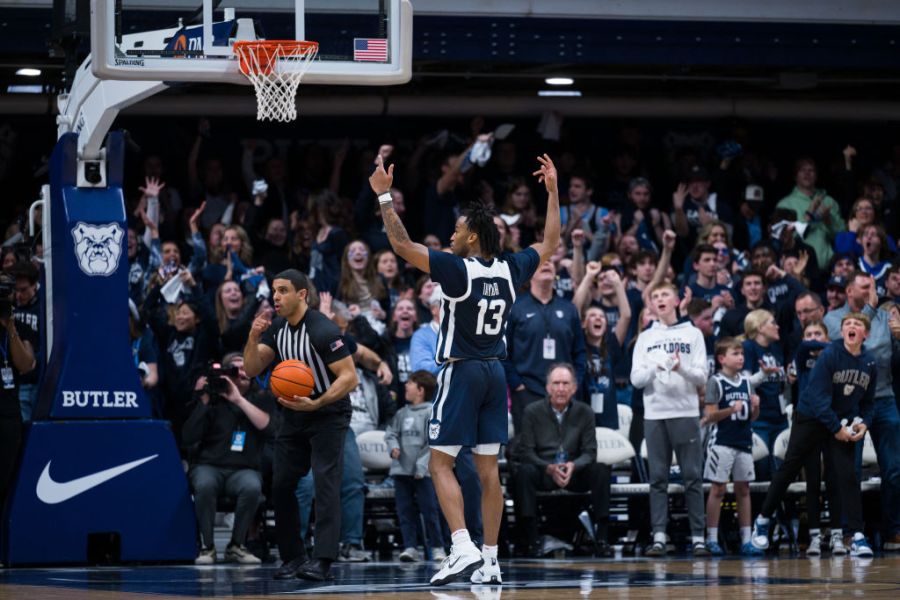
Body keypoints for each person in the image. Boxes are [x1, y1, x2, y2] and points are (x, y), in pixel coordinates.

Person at [368, 152, 558, 585]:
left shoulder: (457, 270)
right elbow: (550, 243)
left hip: (463, 370)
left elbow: (400, 245)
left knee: (439, 464)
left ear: (472, 236)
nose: (452, 235)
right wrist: (553, 193)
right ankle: (490, 560)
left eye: (456, 230)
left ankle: (461, 546)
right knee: (489, 469)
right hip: (496, 374)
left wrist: (383, 197)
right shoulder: (512, 269)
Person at [243, 269, 360, 581]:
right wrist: (253, 337)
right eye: (274, 291)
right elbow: (253, 367)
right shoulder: (278, 329)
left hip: (329, 411)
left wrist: (318, 403)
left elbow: (350, 377)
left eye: (283, 291)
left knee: (325, 481)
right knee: (281, 483)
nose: (276, 297)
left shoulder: (323, 330)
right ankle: (293, 556)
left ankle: (322, 558)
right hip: (294, 412)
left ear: (302, 295)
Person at [751, 313, 876, 558]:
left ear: (866, 334)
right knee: (789, 468)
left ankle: (857, 536)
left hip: (838, 420)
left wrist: (864, 423)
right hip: (810, 417)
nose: (851, 326)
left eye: (857, 324)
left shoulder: (870, 362)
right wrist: (837, 429)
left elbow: (869, 402)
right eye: (847, 324)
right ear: (841, 332)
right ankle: (763, 519)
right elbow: (819, 399)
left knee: (847, 475)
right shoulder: (830, 355)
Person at [630, 281, 710, 556]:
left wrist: (680, 367)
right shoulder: (645, 338)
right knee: (658, 479)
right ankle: (659, 537)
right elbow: (636, 379)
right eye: (655, 296)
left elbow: (702, 376)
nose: (660, 299)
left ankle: (699, 537)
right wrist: (656, 366)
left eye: (665, 294)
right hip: (655, 413)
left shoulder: (693, 334)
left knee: (692, 476)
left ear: (677, 300)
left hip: (686, 411)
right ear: (651, 304)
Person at [823, 271, 900, 551]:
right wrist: (870, 309)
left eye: (874, 287)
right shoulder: (833, 319)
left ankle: (893, 530)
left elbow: (890, 357)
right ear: (849, 291)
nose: (873, 291)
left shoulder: (887, 315)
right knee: (850, 470)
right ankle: (849, 531)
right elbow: (852, 345)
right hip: (849, 402)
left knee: (894, 469)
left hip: (884, 398)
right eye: (866, 287)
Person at [182, 353, 276, 565]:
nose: (241, 373)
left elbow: (269, 428)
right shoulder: (210, 399)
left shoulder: (261, 398)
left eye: (246, 369)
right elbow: (188, 437)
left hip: (243, 469)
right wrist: (203, 400)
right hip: (208, 466)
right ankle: (208, 547)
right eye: (234, 370)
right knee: (204, 484)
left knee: (252, 486)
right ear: (224, 375)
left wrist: (238, 399)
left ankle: (237, 545)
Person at [512, 363, 612, 557]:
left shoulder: (585, 412)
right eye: (556, 383)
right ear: (548, 387)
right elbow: (526, 452)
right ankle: (532, 541)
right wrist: (548, 467)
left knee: (601, 470)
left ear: (574, 388)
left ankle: (602, 538)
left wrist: (574, 466)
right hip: (544, 472)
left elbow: (590, 452)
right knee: (524, 472)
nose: (560, 388)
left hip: (574, 472)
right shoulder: (532, 411)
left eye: (565, 383)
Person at [703, 338, 764, 557]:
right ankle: (711, 538)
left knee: (744, 489)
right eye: (735, 354)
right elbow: (709, 416)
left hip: (743, 440)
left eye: (742, 354)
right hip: (721, 442)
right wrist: (730, 410)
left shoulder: (747, 382)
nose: (741, 358)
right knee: (718, 489)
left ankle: (746, 539)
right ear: (722, 358)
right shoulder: (715, 382)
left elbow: (751, 417)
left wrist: (755, 408)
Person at [385, 370, 446, 562]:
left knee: (430, 511)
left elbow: (432, 443)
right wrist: (393, 447)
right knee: (405, 511)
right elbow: (390, 434)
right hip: (401, 471)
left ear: (420, 390)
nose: (406, 386)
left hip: (424, 474)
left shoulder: (431, 412)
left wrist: (421, 467)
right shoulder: (401, 413)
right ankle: (410, 547)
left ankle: (437, 547)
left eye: (410, 383)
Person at [0, 275, 36, 510]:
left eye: (7, 292)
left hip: (7, 417)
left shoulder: (18, 327)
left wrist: (10, 326)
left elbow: (26, 364)